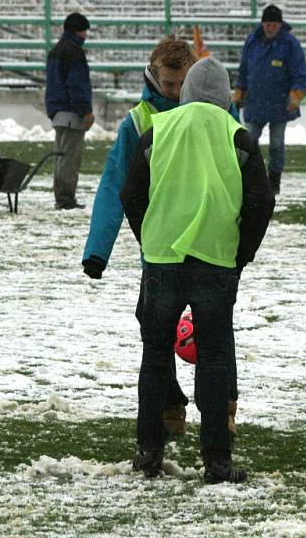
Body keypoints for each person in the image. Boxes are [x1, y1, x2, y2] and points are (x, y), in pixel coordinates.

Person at [120, 57, 275, 483]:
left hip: (162, 258)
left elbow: (131, 193)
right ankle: (217, 461)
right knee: (214, 359)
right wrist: (241, 252)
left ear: (185, 90)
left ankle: (149, 451)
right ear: (226, 96)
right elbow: (261, 201)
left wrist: (149, 236)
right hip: (216, 260)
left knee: (154, 357)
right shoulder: (236, 135)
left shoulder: (158, 130)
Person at [82, 37, 241, 437]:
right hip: (162, 248)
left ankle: (223, 407)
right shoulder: (139, 122)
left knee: (216, 328)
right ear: (154, 75)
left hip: (212, 245)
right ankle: (171, 407)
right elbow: (116, 184)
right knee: (154, 327)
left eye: (179, 83)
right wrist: (98, 249)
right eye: (167, 83)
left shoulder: (224, 113)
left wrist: (241, 240)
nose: (173, 91)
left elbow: (246, 179)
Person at [234, 4, 306, 195]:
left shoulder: (290, 44)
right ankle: (249, 178)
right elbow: (244, 69)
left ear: (280, 25)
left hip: (280, 105)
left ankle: (274, 182)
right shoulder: (252, 41)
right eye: (267, 24)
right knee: (249, 141)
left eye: (274, 25)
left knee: (276, 144)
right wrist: (240, 91)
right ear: (263, 24)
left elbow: (300, 73)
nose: (270, 28)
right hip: (255, 103)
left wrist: (296, 94)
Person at [45, 12, 94, 210]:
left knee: (61, 158)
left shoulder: (55, 50)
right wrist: (86, 111)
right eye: (84, 31)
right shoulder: (74, 52)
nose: (86, 36)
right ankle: (66, 199)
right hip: (71, 113)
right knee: (70, 160)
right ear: (78, 31)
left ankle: (61, 196)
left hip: (57, 112)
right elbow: (77, 85)